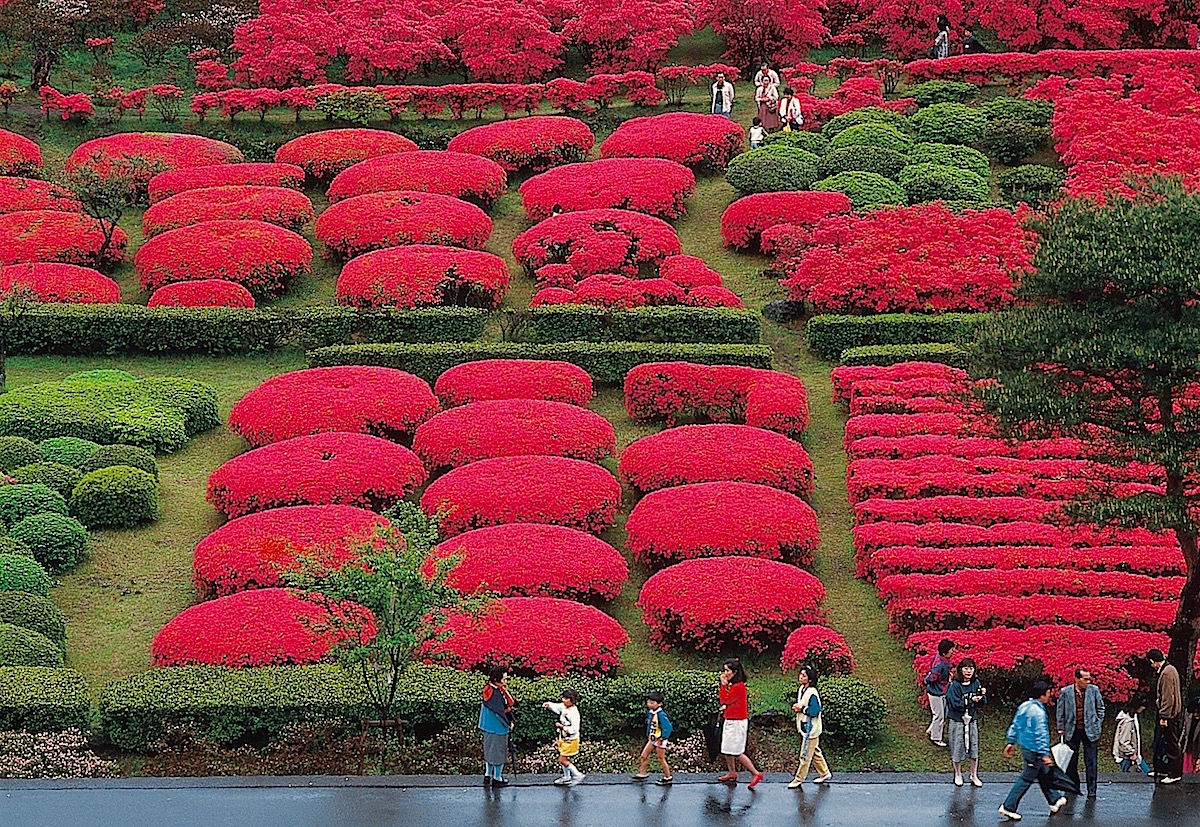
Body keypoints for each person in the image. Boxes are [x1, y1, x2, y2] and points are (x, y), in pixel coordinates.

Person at [1000, 681, 1067, 821]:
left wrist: (1011, 741)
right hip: (1035, 750)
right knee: (1026, 778)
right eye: (1048, 693)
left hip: (1026, 748)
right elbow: (1041, 734)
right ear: (1042, 695)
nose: (1049, 696)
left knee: (1043, 774)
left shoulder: (1024, 706)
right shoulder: (1038, 712)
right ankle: (1008, 806)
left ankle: (1054, 799)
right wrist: (1044, 754)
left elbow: (1016, 724)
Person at [1056, 668, 1104, 800]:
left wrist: (1098, 723)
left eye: (1089, 679)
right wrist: (1061, 728)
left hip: (1090, 730)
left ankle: (1092, 789)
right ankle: (1073, 786)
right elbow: (1060, 711)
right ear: (1077, 679)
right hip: (1073, 730)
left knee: (1091, 761)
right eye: (1085, 679)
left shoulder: (1094, 690)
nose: (1088, 682)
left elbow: (1100, 708)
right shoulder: (1065, 692)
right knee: (1072, 761)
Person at [717, 658, 763, 788]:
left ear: (735, 672)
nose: (725, 673)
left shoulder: (738, 687)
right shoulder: (736, 686)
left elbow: (724, 700)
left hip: (737, 723)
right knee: (726, 749)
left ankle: (755, 773)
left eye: (727, 670)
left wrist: (723, 685)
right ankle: (732, 772)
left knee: (736, 751)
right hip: (731, 720)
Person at [788, 665, 831, 788]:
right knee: (815, 751)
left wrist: (801, 709)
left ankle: (799, 779)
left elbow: (815, 710)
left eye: (804, 675)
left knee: (805, 754)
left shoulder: (812, 692)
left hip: (811, 729)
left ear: (810, 679)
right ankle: (824, 773)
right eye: (800, 674)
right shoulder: (802, 689)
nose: (800, 677)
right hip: (805, 727)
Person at [946, 657, 986, 787]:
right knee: (957, 747)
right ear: (960, 670)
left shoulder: (976, 683)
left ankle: (973, 774)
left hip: (972, 720)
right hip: (958, 720)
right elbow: (954, 703)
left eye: (971, 668)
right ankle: (957, 773)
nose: (968, 671)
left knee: (974, 747)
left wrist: (981, 697)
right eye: (966, 668)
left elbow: (982, 703)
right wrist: (970, 701)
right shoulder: (955, 686)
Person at [1149, 648, 1183, 784]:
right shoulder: (1169, 669)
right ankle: (1163, 768)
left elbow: (1168, 697)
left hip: (1169, 715)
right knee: (1163, 742)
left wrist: (1164, 716)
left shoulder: (1167, 673)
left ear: (1154, 662)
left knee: (1171, 743)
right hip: (1169, 713)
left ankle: (1174, 773)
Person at [478, 665, 515, 787]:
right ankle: (497, 778)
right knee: (499, 753)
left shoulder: (488, 690)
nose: (506, 681)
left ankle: (488, 775)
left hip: (487, 726)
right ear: (496, 680)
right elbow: (502, 712)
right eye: (504, 679)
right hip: (497, 727)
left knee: (489, 752)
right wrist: (509, 723)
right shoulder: (496, 695)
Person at [543, 689, 584, 786]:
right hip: (564, 738)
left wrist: (562, 727)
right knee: (563, 756)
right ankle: (567, 777)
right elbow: (557, 706)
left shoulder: (574, 713)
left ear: (572, 700)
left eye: (566, 699)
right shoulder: (564, 706)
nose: (563, 700)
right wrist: (548, 704)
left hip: (571, 739)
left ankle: (577, 774)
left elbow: (574, 729)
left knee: (562, 759)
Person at [633, 691, 673, 785]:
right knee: (644, 755)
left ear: (659, 704)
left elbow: (668, 727)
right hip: (652, 738)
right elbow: (650, 725)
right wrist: (648, 734)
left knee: (660, 758)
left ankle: (668, 777)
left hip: (660, 739)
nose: (649, 704)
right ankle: (642, 773)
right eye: (649, 702)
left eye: (652, 703)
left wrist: (663, 738)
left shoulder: (661, 715)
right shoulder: (651, 713)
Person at [924, 638, 954, 747]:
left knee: (940, 713)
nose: (953, 651)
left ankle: (931, 730)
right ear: (944, 652)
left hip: (940, 692)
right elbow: (930, 678)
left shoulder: (940, 658)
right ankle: (936, 738)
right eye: (951, 650)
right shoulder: (940, 666)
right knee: (939, 716)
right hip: (936, 693)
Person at [1113, 695, 1151, 775]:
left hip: (1132, 755)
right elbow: (1123, 741)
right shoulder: (1127, 722)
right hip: (1127, 757)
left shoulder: (1131, 717)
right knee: (1144, 774)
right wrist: (1131, 753)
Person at [1183, 696, 1200, 773]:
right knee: (1186, 770)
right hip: (1189, 747)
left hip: (1197, 748)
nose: (1196, 714)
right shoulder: (1189, 717)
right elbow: (1184, 730)